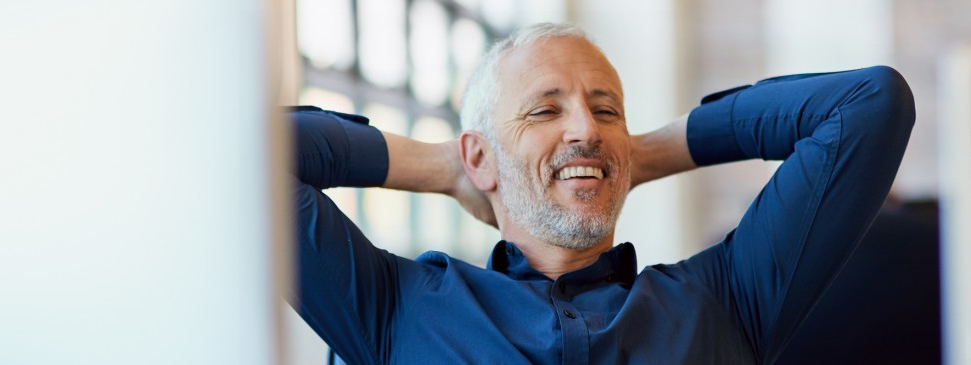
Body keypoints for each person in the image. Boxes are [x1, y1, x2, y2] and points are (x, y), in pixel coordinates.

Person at [287, 23, 914, 364]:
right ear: (481, 155)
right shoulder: (395, 313)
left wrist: (644, 152)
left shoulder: (726, 301)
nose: (586, 129)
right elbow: (257, 150)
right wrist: (446, 168)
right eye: (544, 112)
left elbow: (868, 107)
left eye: (605, 110)